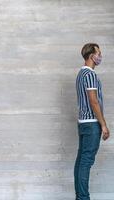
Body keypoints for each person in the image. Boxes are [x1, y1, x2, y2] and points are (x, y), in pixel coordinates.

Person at [74, 43, 110, 200]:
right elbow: (93, 101)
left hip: (83, 123)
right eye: (98, 53)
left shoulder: (81, 74)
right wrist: (103, 124)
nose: (100, 56)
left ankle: (80, 197)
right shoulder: (89, 75)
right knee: (86, 162)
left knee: (81, 161)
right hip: (91, 123)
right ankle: (83, 198)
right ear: (91, 56)